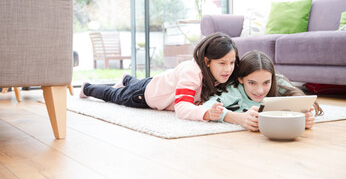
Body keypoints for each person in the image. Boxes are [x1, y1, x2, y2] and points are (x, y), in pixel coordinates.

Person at [79, 32, 240, 122]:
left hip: (157, 82)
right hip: (145, 95)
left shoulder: (219, 74)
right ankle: (87, 87)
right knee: (113, 95)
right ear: (207, 61)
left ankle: (127, 79)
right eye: (222, 63)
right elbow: (182, 107)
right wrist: (205, 113)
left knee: (139, 82)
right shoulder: (192, 72)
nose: (228, 69)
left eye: (232, 62)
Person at [203, 50, 323, 131]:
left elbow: (305, 102)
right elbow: (206, 108)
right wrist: (239, 118)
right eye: (251, 83)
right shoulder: (233, 90)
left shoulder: (278, 81)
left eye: (266, 82)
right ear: (241, 79)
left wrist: (306, 116)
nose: (260, 90)